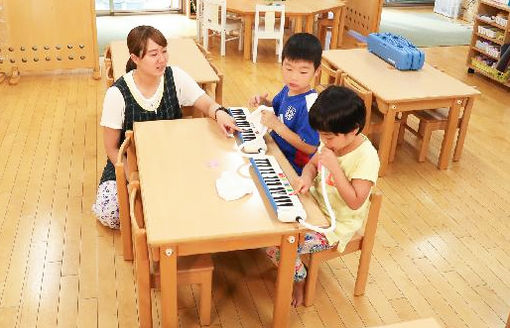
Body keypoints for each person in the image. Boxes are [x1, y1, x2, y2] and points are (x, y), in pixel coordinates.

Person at [93, 25, 238, 229]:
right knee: (111, 213)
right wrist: (135, 177)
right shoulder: (117, 94)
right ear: (135, 58)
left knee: (207, 195)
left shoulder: (174, 76)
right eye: (153, 54)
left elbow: (206, 103)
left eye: (163, 51)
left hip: (172, 158)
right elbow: (112, 148)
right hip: (132, 163)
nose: (162, 59)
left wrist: (219, 112)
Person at [265, 86, 380, 306]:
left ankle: (300, 280)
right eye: (320, 135)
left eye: (327, 137)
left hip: (335, 225)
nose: (322, 141)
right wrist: (307, 178)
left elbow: (356, 202)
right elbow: (311, 165)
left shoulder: (366, 157)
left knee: (277, 247)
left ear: (353, 130)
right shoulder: (332, 141)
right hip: (313, 205)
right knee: (269, 225)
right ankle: (295, 268)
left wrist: (335, 169)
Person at [249, 33, 322, 175]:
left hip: (292, 167)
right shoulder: (288, 89)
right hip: (274, 149)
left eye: (303, 72)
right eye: (288, 69)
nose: (293, 77)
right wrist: (264, 103)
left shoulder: (311, 105)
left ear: (317, 71)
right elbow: (278, 112)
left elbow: (310, 147)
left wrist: (276, 125)